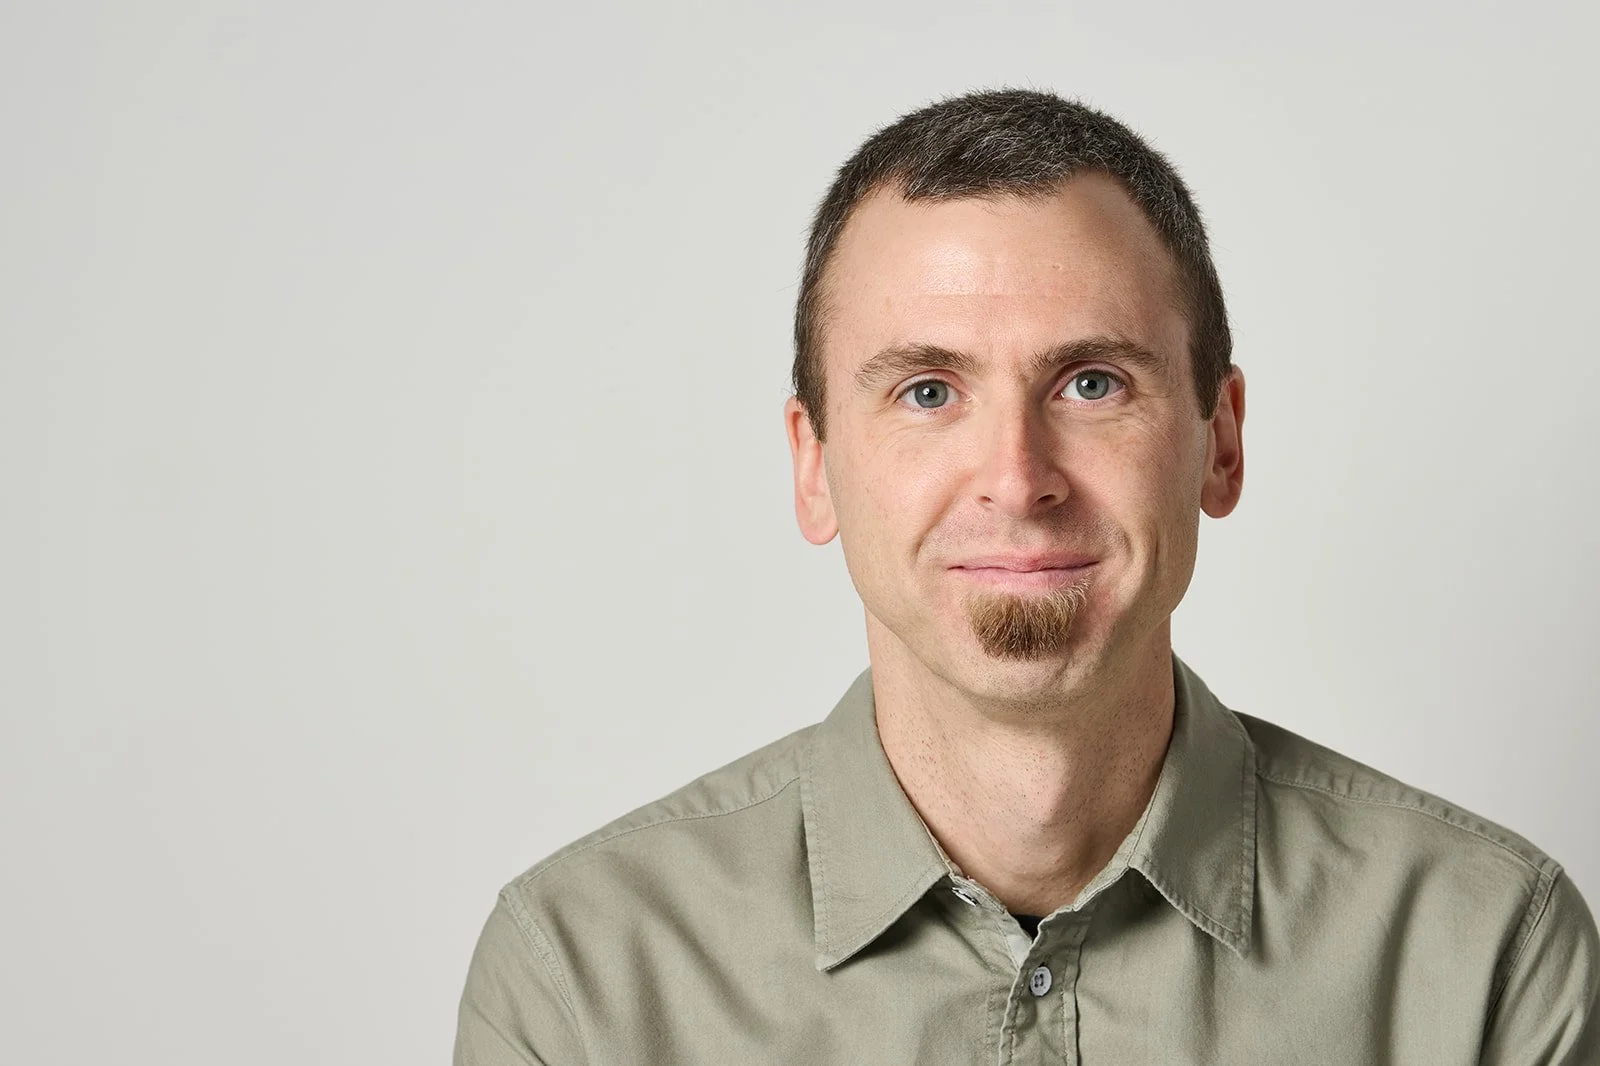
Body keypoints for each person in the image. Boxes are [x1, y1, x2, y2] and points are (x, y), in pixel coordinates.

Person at [453, 88, 1598, 1064]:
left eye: (1091, 383)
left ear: (1221, 439)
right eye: (926, 391)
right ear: (813, 466)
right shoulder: (586, 981)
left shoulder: (1485, 950)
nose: (1016, 476)